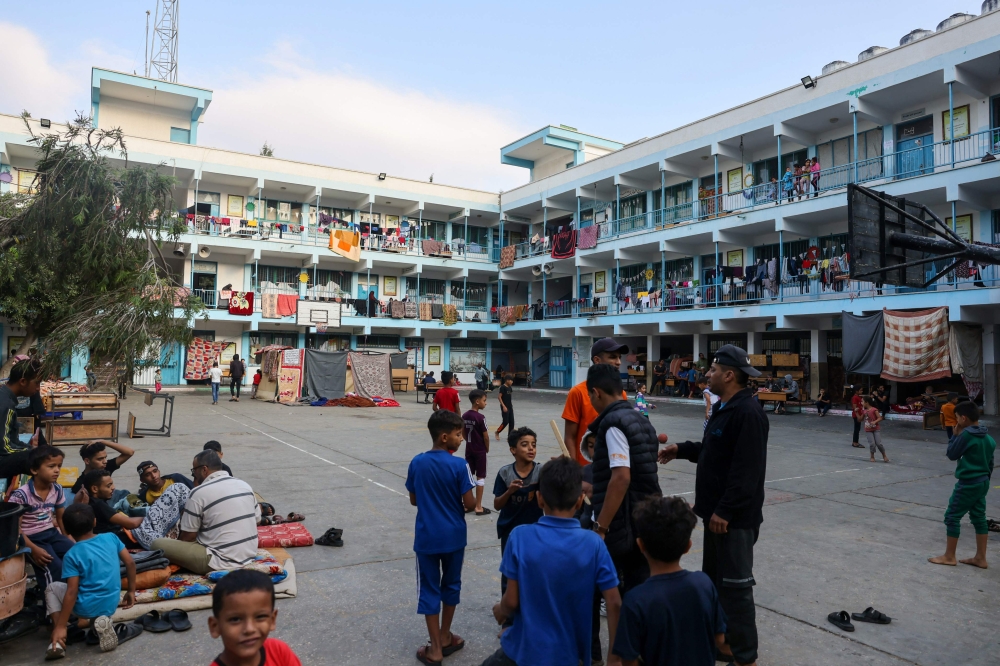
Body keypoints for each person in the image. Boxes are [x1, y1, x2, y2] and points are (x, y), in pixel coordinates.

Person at [658, 344, 768, 666]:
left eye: (713, 370)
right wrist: (681, 449)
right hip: (716, 515)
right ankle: (725, 645)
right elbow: (715, 449)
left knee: (736, 588)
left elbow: (747, 472)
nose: (707, 374)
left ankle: (745, 658)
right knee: (716, 583)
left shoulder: (748, 413)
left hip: (733, 520)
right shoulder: (725, 407)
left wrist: (726, 510)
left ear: (729, 375)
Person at [483, 457, 622, 666]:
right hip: (570, 655)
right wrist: (614, 658)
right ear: (579, 501)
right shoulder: (594, 543)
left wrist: (500, 610)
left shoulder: (519, 536)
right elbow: (614, 602)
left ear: (540, 499)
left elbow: (511, 600)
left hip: (523, 652)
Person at [612, 496, 727, 666]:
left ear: (640, 545)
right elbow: (720, 639)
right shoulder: (703, 584)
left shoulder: (635, 600)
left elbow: (628, 660)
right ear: (688, 546)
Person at [405, 410, 476, 665]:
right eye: (458, 434)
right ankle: (446, 635)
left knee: (429, 589)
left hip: (427, 538)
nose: (461, 439)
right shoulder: (460, 465)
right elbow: (470, 504)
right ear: (445, 437)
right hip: (454, 536)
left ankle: (435, 647)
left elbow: (414, 499)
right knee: (452, 584)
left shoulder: (417, 462)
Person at [588, 363, 662, 596]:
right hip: (645, 519)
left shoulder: (613, 424)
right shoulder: (641, 420)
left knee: (620, 591)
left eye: (590, 396)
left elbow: (621, 478)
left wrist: (601, 527)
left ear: (596, 392)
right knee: (640, 588)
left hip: (624, 526)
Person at [46, 503, 138, 658]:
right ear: (95, 521)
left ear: (66, 530)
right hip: (111, 603)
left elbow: (72, 591)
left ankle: (61, 633)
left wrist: (60, 625)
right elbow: (130, 563)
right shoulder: (111, 538)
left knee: (51, 588)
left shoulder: (71, 555)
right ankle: (99, 626)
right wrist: (131, 591)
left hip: (85, 608)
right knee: (97, 595)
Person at [152, 450, 261, 574]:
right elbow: (257, 520)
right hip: (249, 554)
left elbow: (188, 538)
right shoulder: (244, 485)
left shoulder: (198, 493)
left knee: (156, 544)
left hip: (220, 561)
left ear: (204, 469)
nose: (194, 474)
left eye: (194, 470)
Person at [929, 400, 995, 569]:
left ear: (964, 418)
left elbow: (952, 454)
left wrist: (955, 436)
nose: (957, 421)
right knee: (979, 518)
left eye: (957, 418)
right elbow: (990, 464)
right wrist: (984, 480)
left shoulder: (966, 436)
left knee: (952, 516)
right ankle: (981, 558)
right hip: (982, 482)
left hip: (968, 483)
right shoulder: (989, 439)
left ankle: (949, 556)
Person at [492, 426, 543, 630]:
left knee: (533, 573)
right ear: (513, 450)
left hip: (534, 532)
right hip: (510, 531)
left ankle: (529, 617)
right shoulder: (505, 473)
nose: (531, 449)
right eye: (525, 445)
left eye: (533, 445)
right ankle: (508, 621)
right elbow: (497, 504)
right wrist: (510, 492)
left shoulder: (541, 471)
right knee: (510, 574)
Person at [10, 445, 72, 594]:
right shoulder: (21, 495)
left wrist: (68, 537)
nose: (57, 470)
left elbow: (61, 517)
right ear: (34, 470)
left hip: (51, 533)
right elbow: (15, 529)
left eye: (59, 466)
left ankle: (71, 597)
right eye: (51, 466)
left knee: (75, 554)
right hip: (30, 538)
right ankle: (51, 605)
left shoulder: (57, 489)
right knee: (53, 567)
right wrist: (33, 549)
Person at [80, 468, 190, 550]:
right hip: (130, 537)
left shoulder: (94, 502)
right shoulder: (98, 505)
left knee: (176, 493)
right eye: (108, 486)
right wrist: (150, 516)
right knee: (177, 488)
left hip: (127, 534)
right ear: (94, 489)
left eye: (112, 484)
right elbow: (131, 523)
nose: (113, 488)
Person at [209, 569, 303, 666]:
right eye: (235, 619)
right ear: (215, 626)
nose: (249, 629)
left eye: (260, 617)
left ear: (272, 620)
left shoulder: (278, 651)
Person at [562, 337, 630, 465]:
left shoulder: (621, 394)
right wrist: (573, 468)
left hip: (612, 466)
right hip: (584, 467)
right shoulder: (577, 392)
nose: (618, 362)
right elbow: (570, 436)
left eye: (619, 357)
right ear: (597, 360)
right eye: (613, 357)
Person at [1, 358, 42, 482]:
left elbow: (12, 440)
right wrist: (32, 452)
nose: (38, 388)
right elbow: (4, 448)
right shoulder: (5, 404)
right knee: (44, 460)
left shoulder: (6, 398)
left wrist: (30, 448)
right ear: (23, 381)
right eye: (37, 383)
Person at [71, 440, 135, 497]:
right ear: (87, 461)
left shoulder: (105, 467)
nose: (105, 461)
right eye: (100, 459)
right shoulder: (81, 484)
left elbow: (129, 452)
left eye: (105, 457)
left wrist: (102, 441)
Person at [463, 389, 491, 516]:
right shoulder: (480, 417)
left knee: (468, 477)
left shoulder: (465, 416)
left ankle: (466, 504)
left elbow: (463, 432)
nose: (486, 403)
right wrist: (486, 448)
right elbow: (486, 436)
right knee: (480, 477)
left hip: (469, 449)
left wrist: (469, 441)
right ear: (477, 401)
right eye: (484, 400)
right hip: (479, 450)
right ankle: (478, 506)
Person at [862, 396, 889, 463]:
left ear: (867, 402)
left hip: (876, 429)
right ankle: (872, 456)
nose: (861, 403)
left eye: (862, 401)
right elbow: (860, 419)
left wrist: (875, 421)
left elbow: (880, 418)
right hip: (868, 430)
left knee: (878, 443)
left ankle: (884, 455)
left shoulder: (874, 410)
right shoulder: (864, 411)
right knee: (872, 444)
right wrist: (856, 412)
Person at [496, 375, 515, 440]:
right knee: (505, 422)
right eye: (511, 380)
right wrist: (503, 406)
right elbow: (499, 397)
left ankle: (510, 436)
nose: (512, 382)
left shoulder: (510, 387)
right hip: (504, 406)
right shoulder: (503, 387)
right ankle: (497, 432)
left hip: (510, 406)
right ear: (507, 380)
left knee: (512, 422)